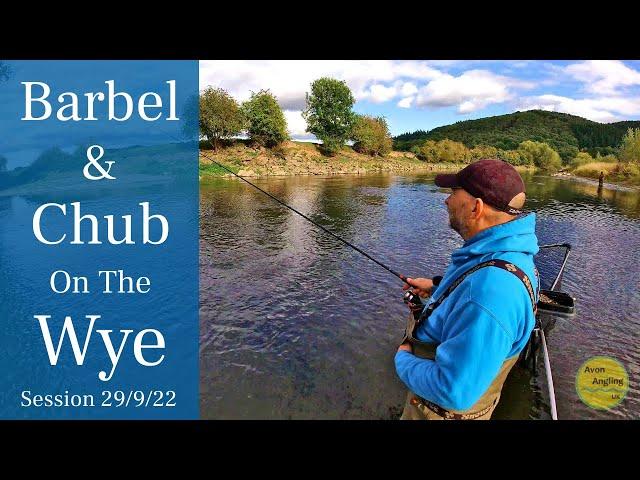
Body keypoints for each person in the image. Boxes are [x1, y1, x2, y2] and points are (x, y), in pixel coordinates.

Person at [395, 158, 540, 420]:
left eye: (453, 193)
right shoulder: (510, 254)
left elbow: (453, 391)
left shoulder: (490, 294)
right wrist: (438, 288)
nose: (446, 201)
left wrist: (402, 359)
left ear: (476, 207)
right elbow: (475, 290)